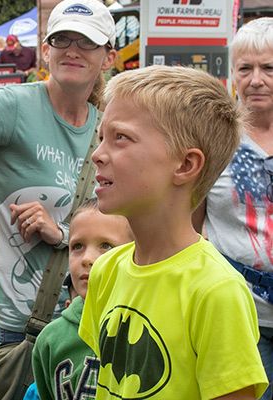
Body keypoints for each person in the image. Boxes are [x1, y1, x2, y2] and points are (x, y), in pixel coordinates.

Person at [0, 0, 116, 353]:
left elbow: (123, 225)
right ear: (45, 50)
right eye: (63, 40)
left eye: (87, 41)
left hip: (92, 326)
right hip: (23, 332)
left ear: (108, 58)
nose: (73, 50)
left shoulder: (108, 125)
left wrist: (61, 234)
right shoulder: (10, 106)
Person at [78, 65, 268, 399]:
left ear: (185, 165)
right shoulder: (106, 271)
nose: (97, 154)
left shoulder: (217, 292)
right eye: (101, 137)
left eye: (120, 137)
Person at [193, 17, 273, 400]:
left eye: (269, 67)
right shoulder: (213, 139)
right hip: (239, 316)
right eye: (246, 68)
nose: (256, 79)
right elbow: (188, 228)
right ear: (232, 72)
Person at [32, 198, 132, 400]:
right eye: (77, 246)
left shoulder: (148, 331)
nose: (87, 258)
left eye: (106, 245)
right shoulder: (50, 340)